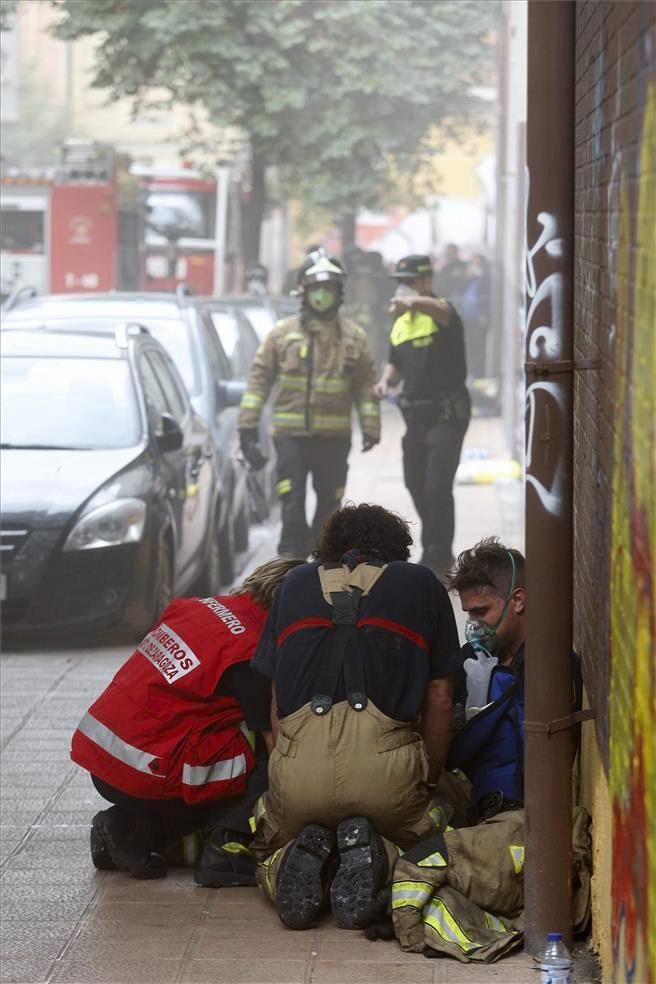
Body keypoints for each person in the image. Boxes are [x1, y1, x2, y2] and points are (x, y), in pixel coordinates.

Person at [248, 503, 459, 931]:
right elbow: (441, 697)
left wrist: (284, 761)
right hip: (387, 780)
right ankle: (382, 854)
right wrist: (428, 776)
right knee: (444, 815)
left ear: (329, 548)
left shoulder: (293, 584)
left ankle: (291, 859)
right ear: (397, 549)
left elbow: (272, 696)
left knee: (265, 838)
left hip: (297, 780)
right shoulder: (421, 584)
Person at [70, 558, 302, 884]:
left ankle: (132, 827)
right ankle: (226, 851)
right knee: (272, 755)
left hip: (103, 757)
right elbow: (274, 742)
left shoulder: (198, 606)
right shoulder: (251, 649)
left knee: (217, 745)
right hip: (143, 768)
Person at [239, 251, 381, 558]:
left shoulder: (353, 338)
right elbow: (259, 379)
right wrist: (247, 427)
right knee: (291, 503)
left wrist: (371, 427)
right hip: (291, 438)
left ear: (338, 293)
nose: (322, 295)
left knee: (330, 506)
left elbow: (365, 386)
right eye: (316, 288)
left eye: (329, 288)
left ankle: (323, 567)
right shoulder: (282, 334)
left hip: (334, 438)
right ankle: (288, 569)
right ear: (303, 290)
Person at [445, 538, 582, 822]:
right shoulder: (471, 659)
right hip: (473, 811)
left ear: (518, 600)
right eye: (469, 613)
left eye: (481, 611)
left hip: (522, 821)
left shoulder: (549, 667)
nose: (474, 624)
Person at [374, 254, 471, 579]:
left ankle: (437, 556)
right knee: (415, 483)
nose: (403, 287)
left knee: (436, 486)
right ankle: (435, 546)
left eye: (409, 280)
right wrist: (385, 381)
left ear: (426, 281)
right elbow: (396, 363)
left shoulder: (442, 311)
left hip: (446, 415)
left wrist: (412, 301)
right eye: (400, 281)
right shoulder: (401, 323)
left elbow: (442, 310)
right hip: (415, 418)